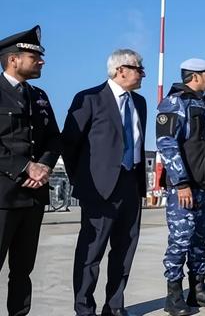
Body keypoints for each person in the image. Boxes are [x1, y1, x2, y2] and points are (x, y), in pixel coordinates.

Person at [62, 49, 148, 316]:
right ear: (120, 70)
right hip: (98, 189)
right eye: (138, 68)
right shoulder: (90, 98)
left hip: (130, 184)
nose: (142, 73)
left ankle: (114, 306)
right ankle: (84, 308)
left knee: (125, 249)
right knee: (91, 252)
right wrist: (83, 182)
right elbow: (69, 144)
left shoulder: (140, 103)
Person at [156, 59, 205, 315]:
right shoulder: (175, 103)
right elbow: (167, 144)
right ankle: (173, 296)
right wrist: (181, 183)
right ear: (195, 77)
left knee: (201, 239)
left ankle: (197, 290)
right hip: (184, 188)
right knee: (181, 239)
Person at [0, 26, 61, 316]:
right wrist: (25, 167)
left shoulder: (39, 96)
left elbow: (53, 138)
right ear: (13, 59)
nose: (41, 61)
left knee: (23, 270)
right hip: (3, 196)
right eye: (34, 55)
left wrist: (45, 166)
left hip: (34, 196)